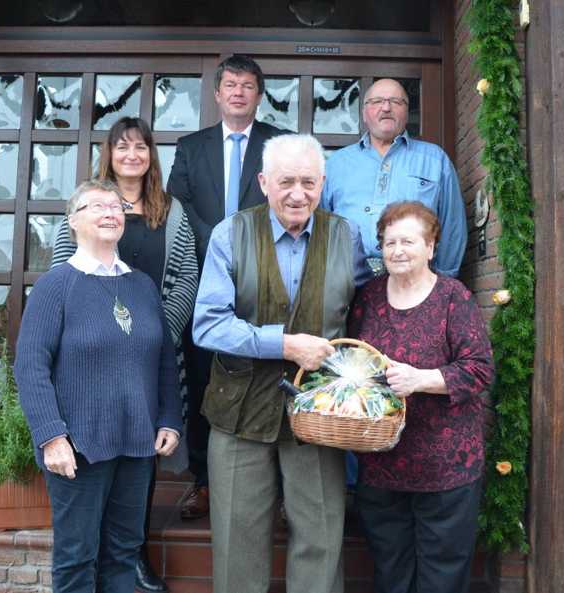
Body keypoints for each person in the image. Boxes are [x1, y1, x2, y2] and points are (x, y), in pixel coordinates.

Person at [193, 134, 369, 593]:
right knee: (237, 542)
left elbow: (366, 318)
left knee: (321, 539)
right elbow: (208, 326)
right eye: (286, 181)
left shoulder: (347, 235)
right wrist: (285, 345)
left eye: (308, 181)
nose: (298, 193)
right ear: (264, 182)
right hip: (238, 412)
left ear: (322, 182)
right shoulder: (229, 233)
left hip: (319, 414)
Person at [50, 117, 198, 593]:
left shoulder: (170, 210)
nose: (132, 155)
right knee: (93, 458)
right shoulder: (88, 201)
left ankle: (133, 559)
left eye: (141, 147)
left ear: (152, 155)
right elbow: (60, 267)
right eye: (122, 147)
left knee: (142, 446)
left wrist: (157, 333)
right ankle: (94, 563)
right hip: (88, 354)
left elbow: (187, 275)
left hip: (149, 350)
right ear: (108, 153)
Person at [14, 179, 183, 593]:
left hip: (136, 445)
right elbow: (30, 367)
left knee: (125, 553)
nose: (111, 212)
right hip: (79, 448)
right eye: (97, 206)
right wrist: (51, 436)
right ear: (73, 221)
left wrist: (168, 419)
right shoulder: (56, 286)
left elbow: (163, 358)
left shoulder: (141, 286)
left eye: (116, 206)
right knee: (77, 557)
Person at [348, 201, 494, 593]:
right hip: (383, 466)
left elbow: (479, 369)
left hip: (445, 467)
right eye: (389, 241)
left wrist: (422, 379)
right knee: (391, 573)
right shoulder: (369, 297)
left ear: (431, 247)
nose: (397, 250)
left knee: (441, 579)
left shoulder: (453, 297)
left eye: (408, 241)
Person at [167, 54, 285, 520]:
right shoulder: (190, 147)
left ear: (259, 95)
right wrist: (220, 245)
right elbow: (179, 203)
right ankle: (204, 482)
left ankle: (272, 490)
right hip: (203, 278)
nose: (238, 92)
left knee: (267, 377)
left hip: (268, 278)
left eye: (248, 85)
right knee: (202, 380)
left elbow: (287, 199)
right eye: (231, 84)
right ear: (217, 94)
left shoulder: (279, 144)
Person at [321, 78, 467, 278]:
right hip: (346, 284)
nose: (386, 107)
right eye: (377, 101)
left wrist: (443, 283)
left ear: (406, 112)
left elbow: (452, 226)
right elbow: (319, 227)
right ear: (364, 112)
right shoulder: (335, 165)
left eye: (396, 102)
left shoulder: (435, 160)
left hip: (416, 282)